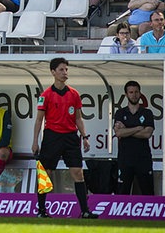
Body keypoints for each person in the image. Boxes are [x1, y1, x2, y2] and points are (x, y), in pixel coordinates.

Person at [33, 57, 97, 218]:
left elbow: (78, 118)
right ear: (53, 72)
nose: (65, 72)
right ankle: (41, 211)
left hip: (70, 137)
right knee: (45, 173)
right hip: (52, 137)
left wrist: (84, 137)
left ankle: (85, 211)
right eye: (61, 69)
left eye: (66, 69)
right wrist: (35, 142)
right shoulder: (46, 95)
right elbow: (39, 119)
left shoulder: (74, 94)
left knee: (78, 173)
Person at [112, 81, 155, 195]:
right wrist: (137, 128)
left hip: (143, 158)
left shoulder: (147, 113)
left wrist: (126, 129)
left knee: (147, 191)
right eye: (131, 92)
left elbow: (147, 134)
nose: (134, 95)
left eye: (136, 92)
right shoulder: (120, 113)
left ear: (140, 93)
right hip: (125, 159)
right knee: (122, 192)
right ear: (126, 94)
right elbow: (119, 133)